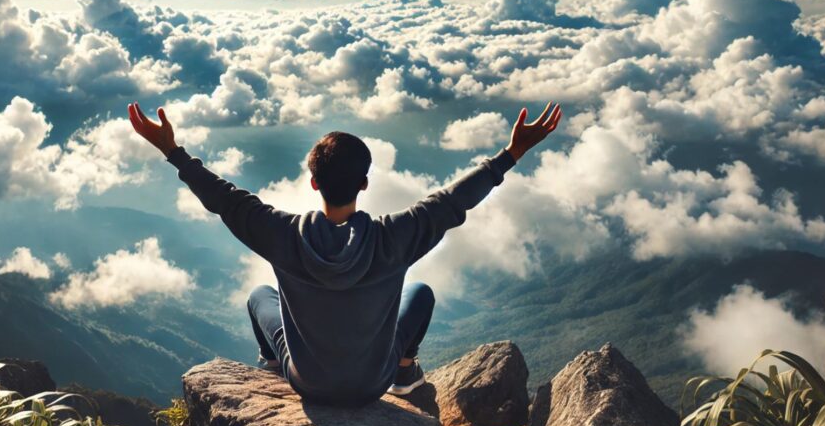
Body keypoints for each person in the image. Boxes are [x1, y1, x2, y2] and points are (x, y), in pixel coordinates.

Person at [128, 102, 561, 407]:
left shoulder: (282, 235)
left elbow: (224, 199)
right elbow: (454, 201)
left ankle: (270, 366)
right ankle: (405, 375)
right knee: (422, 292)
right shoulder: (395, 238)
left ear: (313, 183)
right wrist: (512, 153)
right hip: (375, 382)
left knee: (260, 294)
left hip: (307, 383)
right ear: (365, 184)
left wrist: (172, 151)